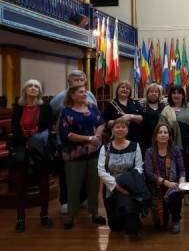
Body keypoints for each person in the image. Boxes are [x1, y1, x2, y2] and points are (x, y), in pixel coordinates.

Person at [59, 85, 106, 229]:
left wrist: (97, 136)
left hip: (93, 152)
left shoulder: (92, 108)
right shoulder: (66, 112)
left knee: (94, 185)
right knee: (73, 186)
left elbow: (101, 123)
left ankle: (94, 213)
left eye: (85, 91)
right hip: (74, 154)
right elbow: (67, 135)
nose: (84, 93)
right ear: (72, 95)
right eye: (81, 92)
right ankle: (71, 216)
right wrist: (89, 138)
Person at [49, 70, 96, 215]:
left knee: (85, 172)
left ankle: (83, 198)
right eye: (76, 80)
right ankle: (65, 201)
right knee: (67, 174)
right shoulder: (59, 98)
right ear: (69, 82)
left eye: (82, 79)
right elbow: (51, 116)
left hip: (87, 142)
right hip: (68, 143)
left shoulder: (90, 95)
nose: (79, 82)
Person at [10, 79, 53, 233]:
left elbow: (48, 128)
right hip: (22, 148)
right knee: (20, 185)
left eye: (36, 86)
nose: (33, 88)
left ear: (40, 91)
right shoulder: (17, 108)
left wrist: (34, 142)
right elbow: (14, 129)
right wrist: (25, 142)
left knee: (43, 184)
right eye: (30, 86)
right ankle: (20, 218)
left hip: (40, 149)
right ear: (24, 90)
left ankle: (44, 215)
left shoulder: (46, 108)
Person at [98, 118, 144, 234]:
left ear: (127, 130)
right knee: (116, 228)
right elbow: (101, 170)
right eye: (117, 127)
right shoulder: (105, 148)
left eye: (123, 127)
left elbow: (139, 167)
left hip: (129, 186)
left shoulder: (135, 146)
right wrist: (116, 185)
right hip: (111, 187)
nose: (120, 129)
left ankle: (134, 218)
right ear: (112, 130)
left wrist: (128, 182)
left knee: (131, 228)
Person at [144, 123, 186, 234]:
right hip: (156, 188)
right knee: (160, 226)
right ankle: (165, 211)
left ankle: (176, 220)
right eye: (160, 132)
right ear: (155, 136)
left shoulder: (175, 150)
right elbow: (149, 173)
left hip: (172, 186)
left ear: (169, 136)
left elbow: (182, 169)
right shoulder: (149, 152)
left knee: (176, 196)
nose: (163, 135)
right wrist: (164, 182)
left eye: (165, 132)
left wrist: (182, 179)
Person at [160, 85, 189, 206]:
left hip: (187, 146)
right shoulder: (166, 110)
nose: (176, 95)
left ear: (183, 95)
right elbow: (161, 127)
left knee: (185, 171)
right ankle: (174, 194)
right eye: (174, 93)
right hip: (170, 145)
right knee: (172, 171)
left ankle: (186, 194)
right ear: (170, 95)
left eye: (179, 93)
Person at [138, 83, 166, 156]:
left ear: (159, 94)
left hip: (160, 138)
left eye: (156, 92)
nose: (154, 93)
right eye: (151, 91)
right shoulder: (141, 105)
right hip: (145, 139)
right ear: (147, 93)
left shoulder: (164, 106)